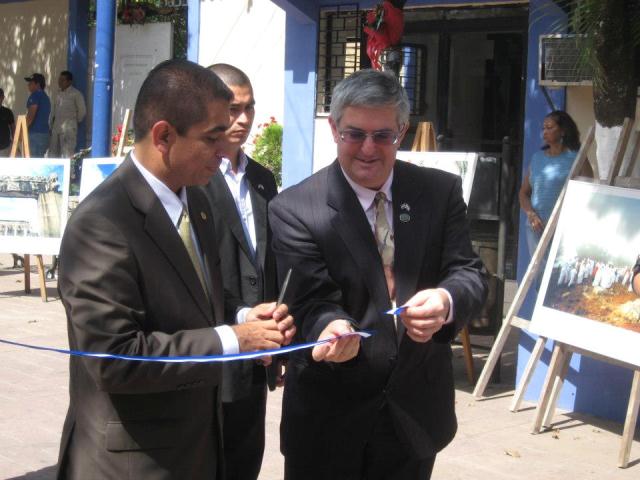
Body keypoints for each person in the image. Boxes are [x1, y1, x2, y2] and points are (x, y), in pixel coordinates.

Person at [55, 59, 295, 480]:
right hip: (134, 461)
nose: (225, 150)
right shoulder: (103, 224)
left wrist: (243, 315)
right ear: (164, 135)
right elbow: (115, 359)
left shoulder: (197, 200)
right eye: (212, 137)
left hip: (198, 446)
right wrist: (234, 338)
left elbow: (202, 298)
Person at [269, 69, 487, 480]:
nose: (368, 149)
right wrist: (330, 326)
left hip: (413, 419)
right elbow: (309, 298)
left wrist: (445, 300)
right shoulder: (296, 208)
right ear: (334, 129)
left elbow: (468, 271)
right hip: (328, 421)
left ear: (401, 132)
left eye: (382, 135)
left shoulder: (438, 193)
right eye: (355, 134)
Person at [200, 63, 278, 480]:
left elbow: (270, 261)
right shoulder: (192, 180)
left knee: (246, 460)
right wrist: (239, 318)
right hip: (212, 352)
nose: (243, 119)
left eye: (249, 108)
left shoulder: (263, 180)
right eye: (233, 109)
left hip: (258, 355)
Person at [519, 110, 582, 257]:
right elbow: (523, 193)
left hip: (564, 228)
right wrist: (531, 214)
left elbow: (587, 192)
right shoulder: (537, 158)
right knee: (537, 272)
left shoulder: (577, 158)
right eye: (543, 128)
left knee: (559, 272)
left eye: (550, 127)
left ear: (563, 131)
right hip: (536, 226)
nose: (545, 132)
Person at [49, 70, 86, 158]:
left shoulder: (76, 94)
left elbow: (82, 111)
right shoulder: (57, 94)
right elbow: (53, 111)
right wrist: (50, 124)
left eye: (63, 80)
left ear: (69, 82)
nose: (60, 82)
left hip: (68, 128)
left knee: (67, 154)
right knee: (53, 153)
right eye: (59, 79)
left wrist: (74, 121)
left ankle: (69, 171)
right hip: (56, 128)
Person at [24, 73, 51, 157]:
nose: (28, 85)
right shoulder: (45, 97)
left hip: (35, 134)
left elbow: (31, 115)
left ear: (38, 84)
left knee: (33, 163)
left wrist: (23, 131)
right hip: (44, 134)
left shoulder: (35, 95)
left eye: (31, 83)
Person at [0, 87, 15, 156]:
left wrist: (15, 143)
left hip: (5, 147)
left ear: (3, 97)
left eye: (0, 96)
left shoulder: (7, 112)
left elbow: (13, 128)